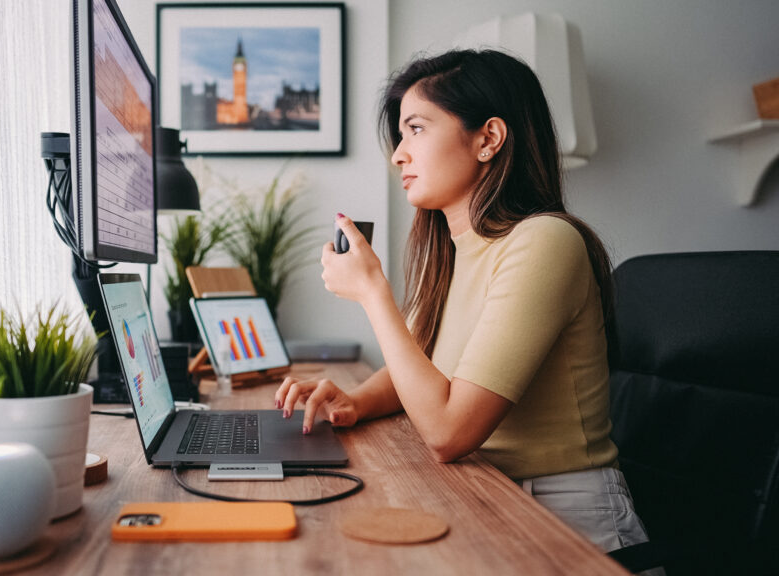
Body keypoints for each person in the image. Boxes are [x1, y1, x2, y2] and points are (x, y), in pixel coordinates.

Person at [274, 49, 659, 563]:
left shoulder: (545, 241)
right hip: (485, 495)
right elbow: (421, 365)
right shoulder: (453, 252)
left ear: (488, 139)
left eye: (415, 129)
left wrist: (372, 293)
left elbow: (449, 432)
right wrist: (355, 401)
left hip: (567, 523)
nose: (398, 155)